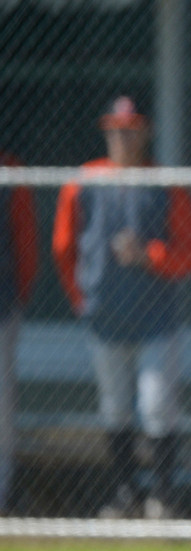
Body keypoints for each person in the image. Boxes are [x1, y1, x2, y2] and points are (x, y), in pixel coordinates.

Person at [53, 96, 191, 518]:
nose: (122, 136)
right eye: (115, 129)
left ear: (145, 132)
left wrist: (151, 255)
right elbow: (63, 247)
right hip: (105, 317)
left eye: (130, 128)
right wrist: (80, 297)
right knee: (115, 407)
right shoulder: (84, 180)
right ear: (107, 132)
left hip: (156, 319)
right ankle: (125, 495)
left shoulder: (162, 181)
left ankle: (162, 496)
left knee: (157, 406)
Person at [0, 151, 38, 516]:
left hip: (1, 307)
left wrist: (16, 297)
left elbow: (26, 242)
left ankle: (2, 492)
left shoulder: (10, 169)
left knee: (1, 407)